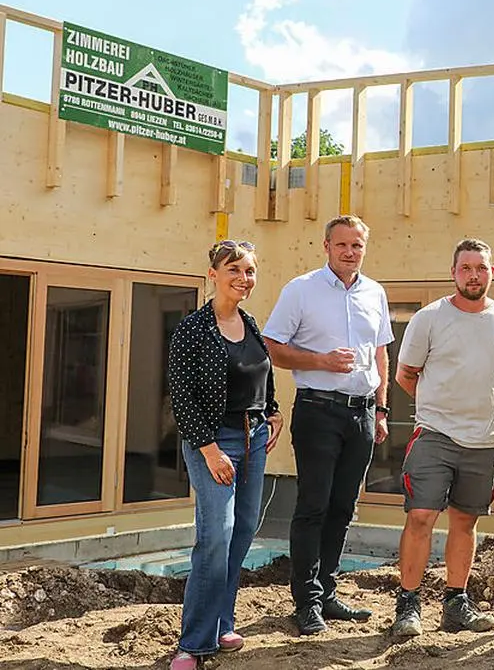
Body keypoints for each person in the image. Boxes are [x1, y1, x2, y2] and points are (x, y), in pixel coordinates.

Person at [391, 238, 494, 637]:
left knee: (466, 521)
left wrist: (478, 406)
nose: (474, 275)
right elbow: (406, 375)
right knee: (420, 516)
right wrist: (441, 406)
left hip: (486, 439)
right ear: (454, 272)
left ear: (491, 270)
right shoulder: (430, 318)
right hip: (435, 434)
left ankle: (456, 602)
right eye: (466, 268)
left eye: (481, 268)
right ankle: (409, 604)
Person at [262, 215, 394, 635]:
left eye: (357, 245)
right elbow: (273, 347)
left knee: (343, 507)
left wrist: (381, 410)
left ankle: (328, 593)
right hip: (318, 410)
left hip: (362, 414)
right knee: (313, 506)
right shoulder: (301, 290)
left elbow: (381, 355)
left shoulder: (375, 292)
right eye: (342, 245)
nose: (349, 252)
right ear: (326, 246)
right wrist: (320, 361)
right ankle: (305, 602)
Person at [167, 240, 283, 670]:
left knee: (243, 530)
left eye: (249, 270)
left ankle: (221, 621)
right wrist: (211, 450)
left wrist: (272, 413)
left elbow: (261, 375)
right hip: (212, 442)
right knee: (216, 534)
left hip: (253, 441)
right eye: (234, 269)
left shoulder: (250, 323)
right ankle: (194, 643)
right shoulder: (193, 329)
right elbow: (182, 397)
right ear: (213, 273)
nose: (243, 278)